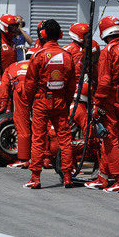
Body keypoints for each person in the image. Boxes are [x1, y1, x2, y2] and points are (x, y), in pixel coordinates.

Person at [84, 16, 119, 193]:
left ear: (104, 31)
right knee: (109, 137)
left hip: (110, 99)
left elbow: (104, 81)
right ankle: (103, 177)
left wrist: (97, 102)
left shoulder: (108, 51)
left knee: (109, 138)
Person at [22, 19, 76, 189]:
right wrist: (66, 103)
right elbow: (72, 85)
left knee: (38, 139)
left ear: (43, 35)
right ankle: (67, 176)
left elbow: (30, 84)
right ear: (60, 35)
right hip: (60, 102)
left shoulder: (38, 56)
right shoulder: (67, 56)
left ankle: (35, 178)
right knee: (65, 140)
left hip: (41, 102)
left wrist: (28, 102)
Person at [0, 48, 36, 168]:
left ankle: (24, 159)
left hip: (20, 92)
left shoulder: (13, 66)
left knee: (22, 124)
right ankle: (46, 157)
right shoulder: (41, 64)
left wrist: (4, 104)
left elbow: (4, 87)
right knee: (41, 125)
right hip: (40, 93)